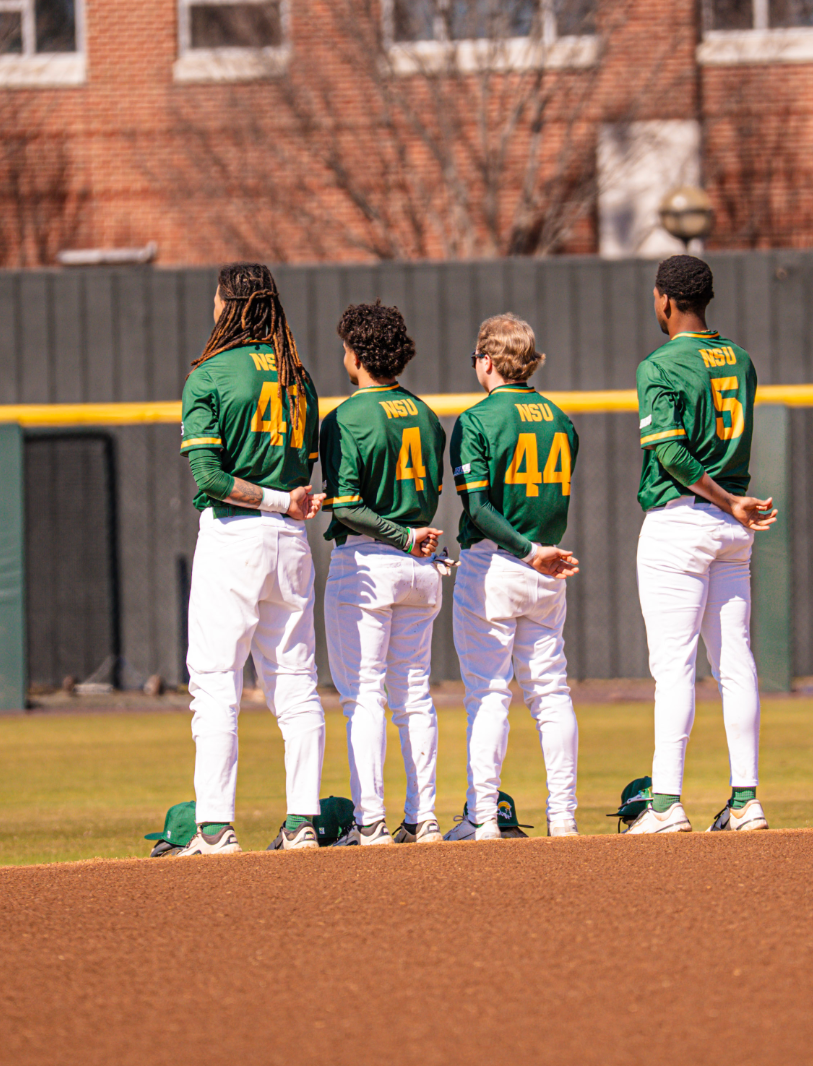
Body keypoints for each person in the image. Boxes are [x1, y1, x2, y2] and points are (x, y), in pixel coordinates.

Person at [173, 263, 326, 855]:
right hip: (289, 542)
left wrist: (272, 498)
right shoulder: (299, 375)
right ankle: (302, 823)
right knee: (296, 685)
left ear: (226, 303)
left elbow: (209, 477)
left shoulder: (209, 373)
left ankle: (214, 829)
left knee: (215, 684)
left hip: (236, 535)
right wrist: (284, 500)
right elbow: (301, 472)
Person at [627, 255, 778, 836]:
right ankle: (745, 801)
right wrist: (733, 505)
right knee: (735, 662)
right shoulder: (739, 359)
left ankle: (665, 805)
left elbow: (671, 453)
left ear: (665, 299)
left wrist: (723, 499)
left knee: (674, 668)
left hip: (686, 519)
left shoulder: (661, 363)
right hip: (731, 530)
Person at [446, 315, 582, 840]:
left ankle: (483, 818)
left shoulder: (477, 419)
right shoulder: (561, 419)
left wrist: (526, 550)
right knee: (551, 694)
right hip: (547, 567)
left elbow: (478, 509)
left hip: (500, 563)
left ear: (486, 361)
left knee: (488, 695)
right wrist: (538, 551)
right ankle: (564, 818)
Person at [319, 302, 449, 846]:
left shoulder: (345, 417)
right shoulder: (423, 412)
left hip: (369, 562)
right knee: (414, 694)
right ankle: (423, 819)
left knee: (364, 696)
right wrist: (410, 536)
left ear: (356, 353)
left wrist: (397, 534)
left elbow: (347, 506)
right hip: (421, 567)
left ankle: (369, 820)